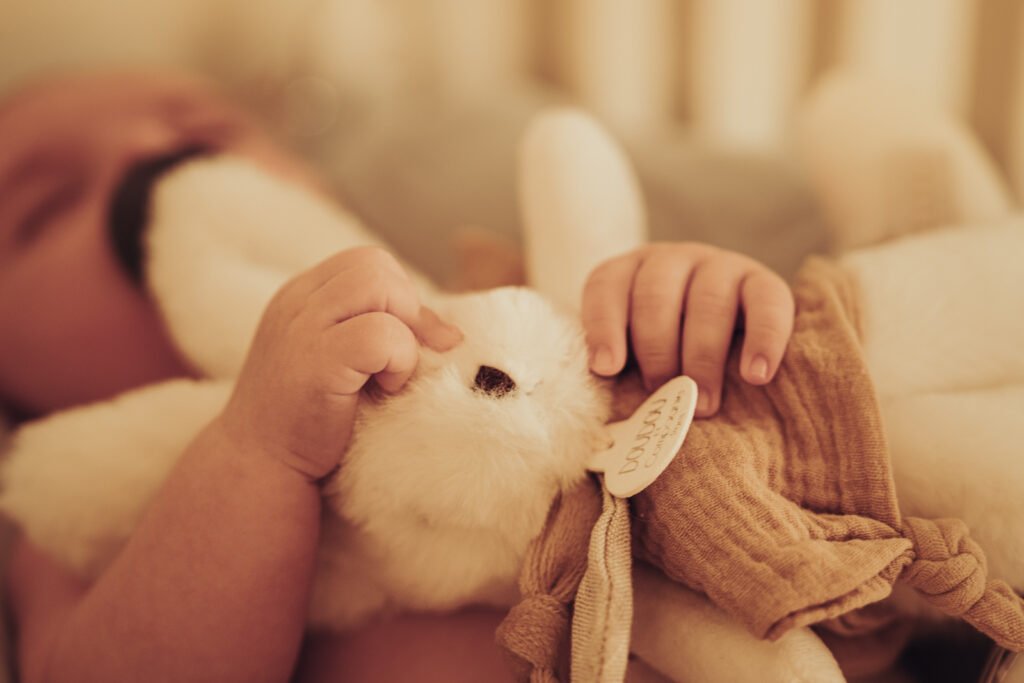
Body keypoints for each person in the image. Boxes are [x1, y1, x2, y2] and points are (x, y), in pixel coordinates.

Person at [0, 71, 794, 683]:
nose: (152, 159)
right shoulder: (59, 514)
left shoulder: (469, 311)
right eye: (44, 208)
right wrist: (255, 449)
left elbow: (627, 405)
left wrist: (681, 305)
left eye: (202, 129)